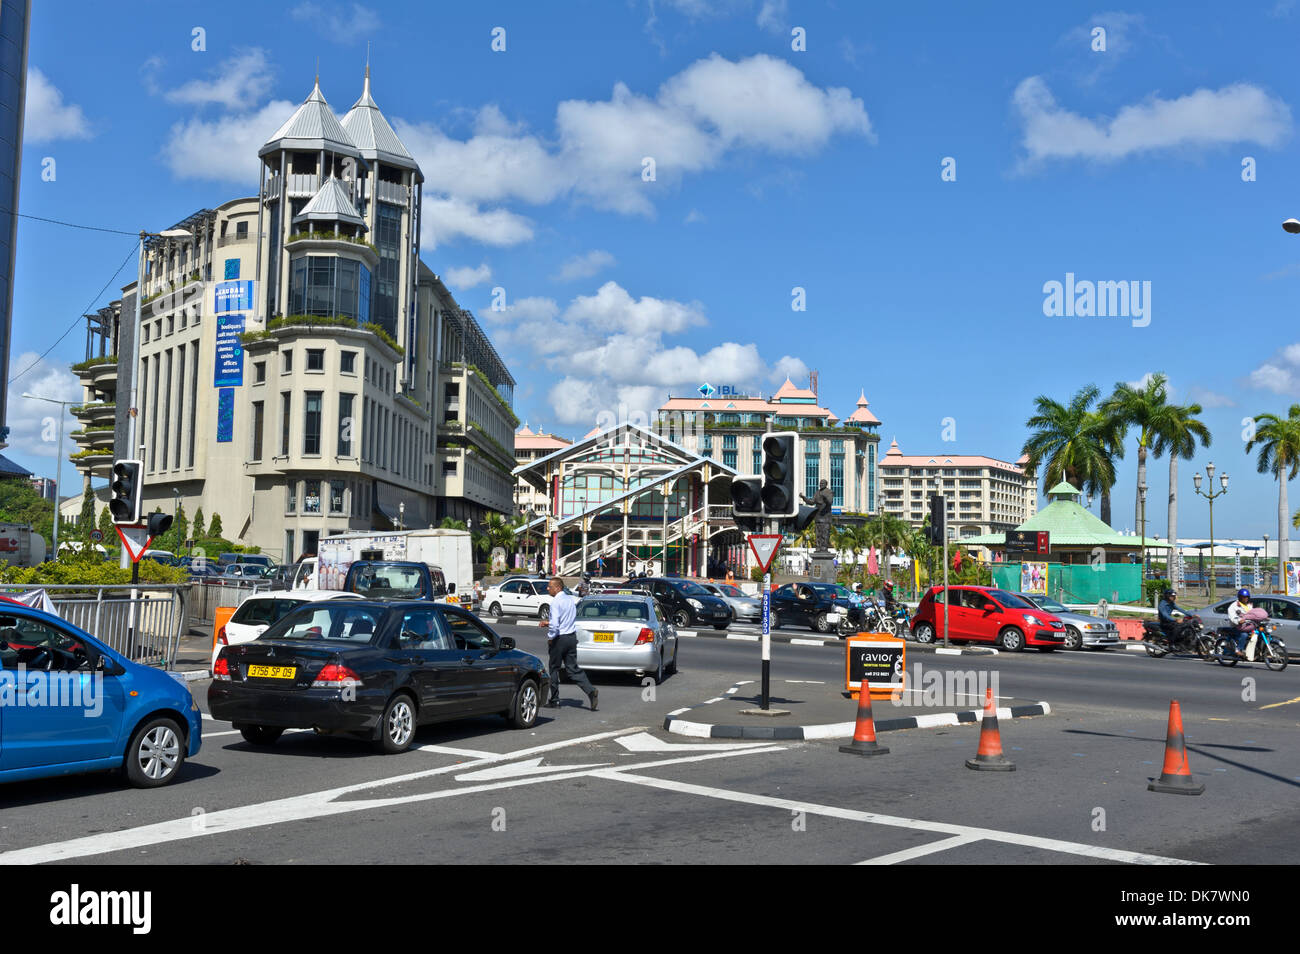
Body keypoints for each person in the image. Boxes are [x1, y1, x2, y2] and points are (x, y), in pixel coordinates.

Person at [541, 576, 598, 710]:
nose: (548, 588)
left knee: (554, 669)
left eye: (550, 586)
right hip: (571, 638)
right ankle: (590, 691)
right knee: (573, 669)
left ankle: (555, 700)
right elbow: (565, 619)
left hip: (559, 639)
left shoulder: (555, 602)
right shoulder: (570, 600)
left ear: (557, 588)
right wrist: (548, 623)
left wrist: (550, 637)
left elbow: (555, 625)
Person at [1226, 588, 1254, 658]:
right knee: (1244, 635)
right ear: (1240, 597)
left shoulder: (1249, 606)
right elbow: (1232, 617)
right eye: (1244, 597)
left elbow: (1253, 614)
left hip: (1247, 626)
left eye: (1247, 597)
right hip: (1236, 627)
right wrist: (1238, 621)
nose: (1246, 598)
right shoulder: (1234, 606)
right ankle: (1238, 650)